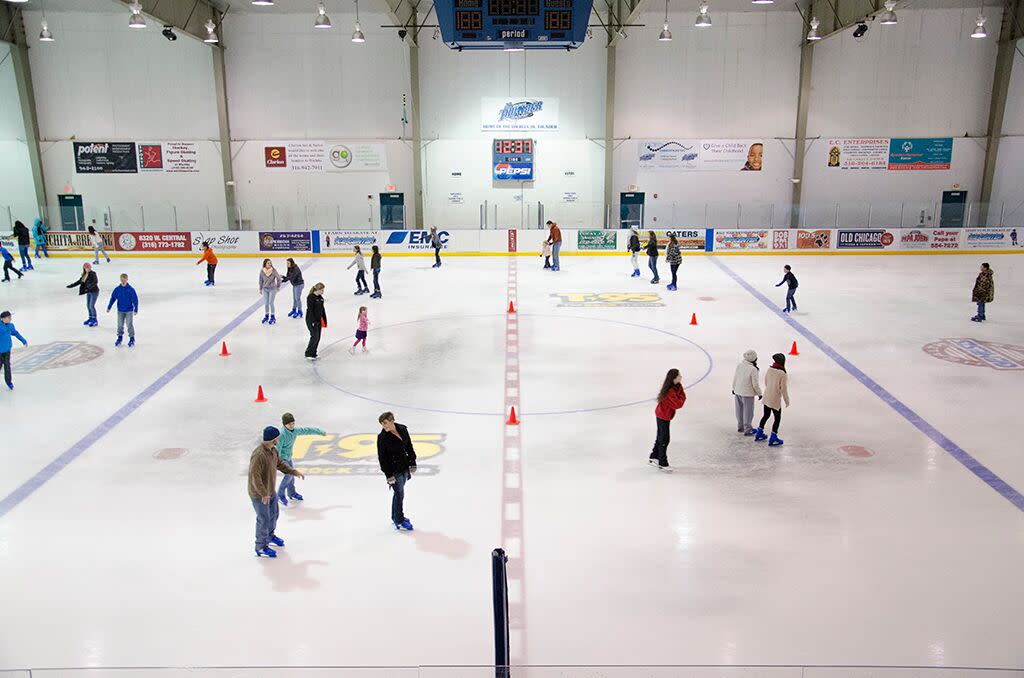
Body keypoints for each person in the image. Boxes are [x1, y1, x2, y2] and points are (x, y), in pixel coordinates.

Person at [248, 426, 304, 558]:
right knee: (263, 519)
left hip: (270, 490)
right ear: (272, 439)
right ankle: (260, 546)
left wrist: (293, 471)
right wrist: (263, 493)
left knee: (274, 514)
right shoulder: (259, 455)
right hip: (259, 494)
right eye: (277, 438)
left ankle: (269, 536)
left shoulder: (273, 450)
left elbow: (280, 464)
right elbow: (254, 477)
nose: (278, 439)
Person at [377, 411, 417, 531]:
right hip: (393, 470)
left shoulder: (403, 429)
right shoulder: (382, 437)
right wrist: (388, 475)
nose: (384, 427)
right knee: (399, 494)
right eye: (382, 424)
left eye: (385, 423)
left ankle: (395, 516)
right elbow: (382, 458)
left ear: (392, 420)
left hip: (404, 466)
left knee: (399, 494)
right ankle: (399, 519)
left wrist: (412, 462)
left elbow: (409, 446)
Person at [276, 413, 325, 505]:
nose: (291, 426)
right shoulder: (282, 435)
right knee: (289, 475)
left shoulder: (295, 431)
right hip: (281, 459)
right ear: (284, 424)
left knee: (291, 476)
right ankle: (280, 494)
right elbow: (277, 449)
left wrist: (320, 432)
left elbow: (307, 430)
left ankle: (291, 493)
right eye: (289, 424)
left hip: (288, 457)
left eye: (293, 423)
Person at [650, 368, 686, 470]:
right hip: (663, 415)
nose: (681, 377)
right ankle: (662, 462)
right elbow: (678, 404)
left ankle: (654, 456)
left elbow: (683, 396)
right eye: (679, 375)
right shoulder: (670, 391)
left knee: (661, 436)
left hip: (664, 414)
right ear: (674, 378)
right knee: (664, 438)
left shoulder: (677, 386)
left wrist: (680, 396)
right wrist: (680, 397)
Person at [753, 353, 789, 446]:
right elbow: (783, 389)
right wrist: (786, 400)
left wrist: (770, 388)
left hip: (767, 396)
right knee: (777, 418)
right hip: (775, 398)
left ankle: (759, 432)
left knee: (766, 415)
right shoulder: (782, 373)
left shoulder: (770, 369)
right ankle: (773, 437)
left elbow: (766, 382)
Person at [732, 350, 762, 435]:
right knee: (748, 412)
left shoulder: (740, 365)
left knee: (739, 410)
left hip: (738, 391)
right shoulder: (753, 369)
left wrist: (733, 388)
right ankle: (748, 429)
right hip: (747, 393)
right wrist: (759, 393)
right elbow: (755, 384)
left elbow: (735, 378)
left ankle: (740, 426)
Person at [106, 273, 139, 348]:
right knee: (120, 325)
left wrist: (136, 308)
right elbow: (113, 298)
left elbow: (135, 300)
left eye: (124, 279)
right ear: (120, 280)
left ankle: (132, 338)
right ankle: (120, 337)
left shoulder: (130, 289)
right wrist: (109, 307)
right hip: (120, 310)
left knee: (129, 324)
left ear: (127, 279)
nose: (123, 281)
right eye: (122, 279)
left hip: (129, 310)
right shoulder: (117, 289)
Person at [1, 310, 28, 392]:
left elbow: (15, 333)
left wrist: (23, 340)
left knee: (7, 366)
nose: (10, 319)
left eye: (10, 317)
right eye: (8, 317)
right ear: (2, 318)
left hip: (7, 351)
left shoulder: (10, 326)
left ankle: (9, 382)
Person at [66, 263, 100, 327]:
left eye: (88, 267)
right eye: (86, 268)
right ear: (84, 268)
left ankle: (95, 320)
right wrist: (71, 285)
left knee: (91, 306)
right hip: (89, 292)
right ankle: (90, 318)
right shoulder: (84, 275)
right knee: (88, 305)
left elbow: (95, 282)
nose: (87, 269)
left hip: (94, 292)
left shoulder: (93, 273)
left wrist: (88, 287)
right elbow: (79, 282)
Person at [304, 282, 327, 360]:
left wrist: (324, 319)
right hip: (311, 320)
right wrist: (313, 321)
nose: (323, 292)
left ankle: (314, 353)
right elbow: (310, 310)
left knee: (318, 337)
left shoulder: (320, 298)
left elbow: (322, 309)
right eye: (322, 290)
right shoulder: (311, 297)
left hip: (318, 320)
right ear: (318, 289)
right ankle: (308, 353)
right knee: (314, 336)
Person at [258, 258, 282, 325]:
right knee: (266, 303)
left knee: (271, 302)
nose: (270, 264)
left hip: (272, 289)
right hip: (265, 289)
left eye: (270, 263)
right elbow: (260, 280)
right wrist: (260, 288)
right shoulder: (262, 271)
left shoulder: (273, 271)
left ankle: (273, 316)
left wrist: (278, 287)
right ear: (265, 264)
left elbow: (279, 279)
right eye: (268, 263)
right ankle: (266, 316)